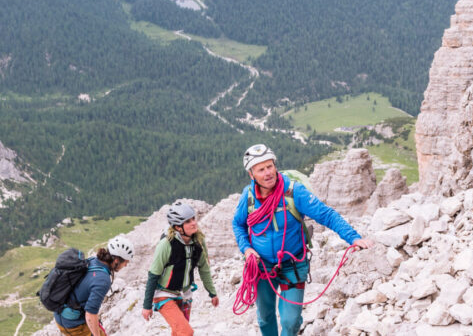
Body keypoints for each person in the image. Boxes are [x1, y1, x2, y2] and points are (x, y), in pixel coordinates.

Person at [232, 144, 374, 336]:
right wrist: (246, 249)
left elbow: (326, 215)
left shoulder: (293, 192)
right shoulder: (248, 197)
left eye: (270, 166)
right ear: (252, 175)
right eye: (261, 169)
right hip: (261, 266)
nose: (268, 173)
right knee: (265, 317)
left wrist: (353, 238)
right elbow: (238, 225)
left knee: (290, 321)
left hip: (292, 264)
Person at [142, 200, 219, 336]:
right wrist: (147, 306)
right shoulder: (166, 244)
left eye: (193, 218)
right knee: (186, 332)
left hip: (185, 294)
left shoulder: (199, 242)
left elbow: (204, 269)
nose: (194, 223)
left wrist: (212, 293)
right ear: (178, 227)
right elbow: (153, 275)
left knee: (178, 333)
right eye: (188, 221)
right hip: (164, 294)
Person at [54, 235, 134, 336]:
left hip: (61, 314)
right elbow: (90, 314)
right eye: (126, 262)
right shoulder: (103, 280)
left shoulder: (93, 260)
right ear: (117, 260)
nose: (126, 265)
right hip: (74, 325)